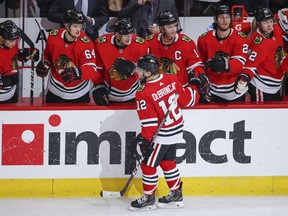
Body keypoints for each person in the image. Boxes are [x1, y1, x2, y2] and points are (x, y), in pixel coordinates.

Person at [123, 54, 205, 210]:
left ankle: (148, 199)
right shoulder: (171, 79)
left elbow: (150, 122)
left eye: (139, 69)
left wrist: (146, 140)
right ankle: (176, 195)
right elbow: (185, 100)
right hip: (176, 128)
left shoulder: (143, 93)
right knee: (167, 163)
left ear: (148, 73)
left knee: (147, 165)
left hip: (162, 134)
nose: (137, 72)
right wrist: (195, 87)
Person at [147, 11, 210, 103]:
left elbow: (196, 65)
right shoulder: (150, 42)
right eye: (169, 27)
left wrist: (198, 74)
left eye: (175, 26)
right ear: (162, 29)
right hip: (157, 91)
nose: (173, 30)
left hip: (180, 90)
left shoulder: (186, 43)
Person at [35, 9, 97, 103]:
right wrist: (45, 64)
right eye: (75, 26)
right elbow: (48, 55)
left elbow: (92, 69)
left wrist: (78, 73)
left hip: (79, 93)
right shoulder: (53, 36)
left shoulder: (86, 43)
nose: (78, 30)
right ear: (67, 26)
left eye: (80, 26)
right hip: (55, 90)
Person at [197, 5, 249, 102]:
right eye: (221, 17)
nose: (225, 20)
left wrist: (225, 64)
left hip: (235, 92)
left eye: (227, 17)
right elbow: (200, 63)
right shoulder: (203, 39)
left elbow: (240, 63)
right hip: (213, 91)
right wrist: (200, 76)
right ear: (215, 20)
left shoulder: (241, 38)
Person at [91, 18, 149, 105]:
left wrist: (134, 70)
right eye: (126, 35)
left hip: (133, 94)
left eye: (131, 34)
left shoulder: (141, 45)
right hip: (108, 93)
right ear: (117, 35)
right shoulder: (101, 44)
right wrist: (98, 86)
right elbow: (97, 69)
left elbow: (147, 72)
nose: (129, 38)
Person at [241, 7, 285, 102]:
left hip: (277, 84)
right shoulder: (257, 43)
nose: (269, 26)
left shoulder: (277, 29)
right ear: (258, 23)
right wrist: (243, 80)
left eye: (270, 21)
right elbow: (249, 66)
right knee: (261, 115)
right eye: (265, 23)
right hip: (262, 86)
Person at [0, 20, 39, 103]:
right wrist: (3, 79)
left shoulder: (11, 41)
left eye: (16, 40)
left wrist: (26, 54)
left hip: (11, 93)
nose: (14, 43)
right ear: (1, 38)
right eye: (11, 41)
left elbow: (13, 55)